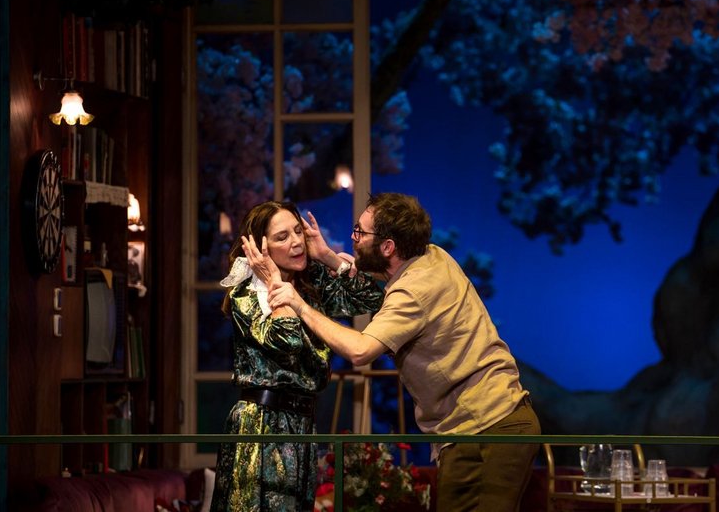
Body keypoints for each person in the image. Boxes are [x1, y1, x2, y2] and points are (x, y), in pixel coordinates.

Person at [252, 192, 541, 512]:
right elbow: (379, 278)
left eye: (360, 232)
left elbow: (360, 351)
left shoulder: (413, 291)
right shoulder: (431, 254)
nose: (353, 237)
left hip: (491, 426)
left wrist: (299, 305)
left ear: (388, 246)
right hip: (467, 429)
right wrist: (329, 257)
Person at [210, 201, 383, 512]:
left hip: (302, 423)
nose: (296, 242)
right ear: (261, 248)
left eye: (298, 231)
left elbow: (373, 298)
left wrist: (327, 256)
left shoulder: (312, 284)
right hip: (262, 423)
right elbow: (287, 340)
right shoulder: (247, 295)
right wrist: (275, 283)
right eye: (282, 236)